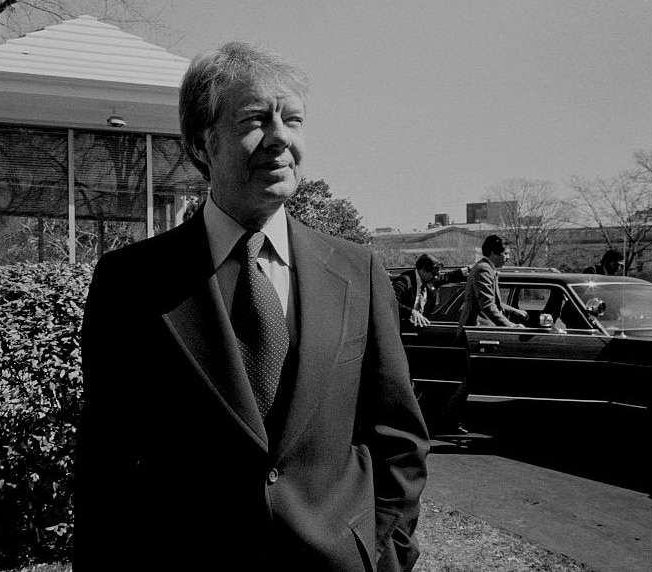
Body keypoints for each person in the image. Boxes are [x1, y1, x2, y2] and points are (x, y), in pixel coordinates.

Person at [74, 42, 430, 572]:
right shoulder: (131, 282)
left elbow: (398, 436)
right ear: (202, 143)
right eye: (255, 119)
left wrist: (386, 555)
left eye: (293, 119)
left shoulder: (361, 274)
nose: (281, 137)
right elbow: (106, 458)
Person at [439, 235, 527, 434]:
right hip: (475, 331)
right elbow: (487, 306)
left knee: (472, 378)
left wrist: (513, 311)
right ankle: (448, 418)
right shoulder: (483, 269)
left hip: (479, 331)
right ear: (493, 253)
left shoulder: (488, 269)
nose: (508, 257)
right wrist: (511, 327)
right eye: (505, 254)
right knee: (470, 379)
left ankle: (451, 417)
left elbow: (492, 301)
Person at [391, 253, 467, 327]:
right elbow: (391, 302)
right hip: (403, 329)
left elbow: (449, 276)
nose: (436, 277)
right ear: (423, 270)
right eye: (434, 274)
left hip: (422, 327)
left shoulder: (429, 280)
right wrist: (410, 312)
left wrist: (469, 269)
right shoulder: (404, 282)